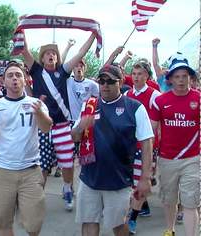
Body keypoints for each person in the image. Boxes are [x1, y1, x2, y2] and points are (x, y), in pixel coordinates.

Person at [71, 65, 154, 236]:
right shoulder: (89, 105)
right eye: (101, 81)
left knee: (118, 225)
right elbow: (74, 137)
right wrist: (81, 125)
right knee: (88, 222)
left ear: (121, 82)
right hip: (89, 178)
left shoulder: (135, 107)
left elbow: (147, 143)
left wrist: (145, 178)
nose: (105, 85)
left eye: (110, 81)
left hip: (119, 180)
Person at [22, 32, 98, 211]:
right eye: (47, 53)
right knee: (42, 165)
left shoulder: (63, 71)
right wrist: (21, 29)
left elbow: (80, 53)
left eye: (54, 53)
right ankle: (38, 195)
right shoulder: (37, 71)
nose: (51, 55)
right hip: (43, 127)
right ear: (42, 58)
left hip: (63, 126)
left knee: (67, 163)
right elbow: (24, 51)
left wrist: (93, 34)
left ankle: (67, 187)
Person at [0, 62, 53, 236]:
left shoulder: (36, 103)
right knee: (3, 223)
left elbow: (47, 127)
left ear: (26, 80)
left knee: (33, 225)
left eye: (18, 75)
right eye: (10, 75)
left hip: (31, 171)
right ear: (3, 81)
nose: (14, 79)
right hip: (2, 171)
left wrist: (39, 113)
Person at [150, 54, 200, 236]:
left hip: (193, 159)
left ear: (190, 78)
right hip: (167, 159)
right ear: (169, 79)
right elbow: (152, 130)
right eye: (177, 77)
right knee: (169, 199)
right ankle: (169, 230)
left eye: (184, 76)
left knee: (190, 202)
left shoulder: (199, 99)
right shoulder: (160, 101)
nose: (181, 80)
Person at [125, 61, 161, 234]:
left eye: (140, 74)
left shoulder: (154, 95)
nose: (136, 77)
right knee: (131, 182)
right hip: (128, 147)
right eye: (134, 73)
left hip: (144, 147)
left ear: (146, 76)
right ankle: (142, 206)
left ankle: (132, 219)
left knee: (141, 182)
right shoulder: (127, 94)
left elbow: (158, 123)